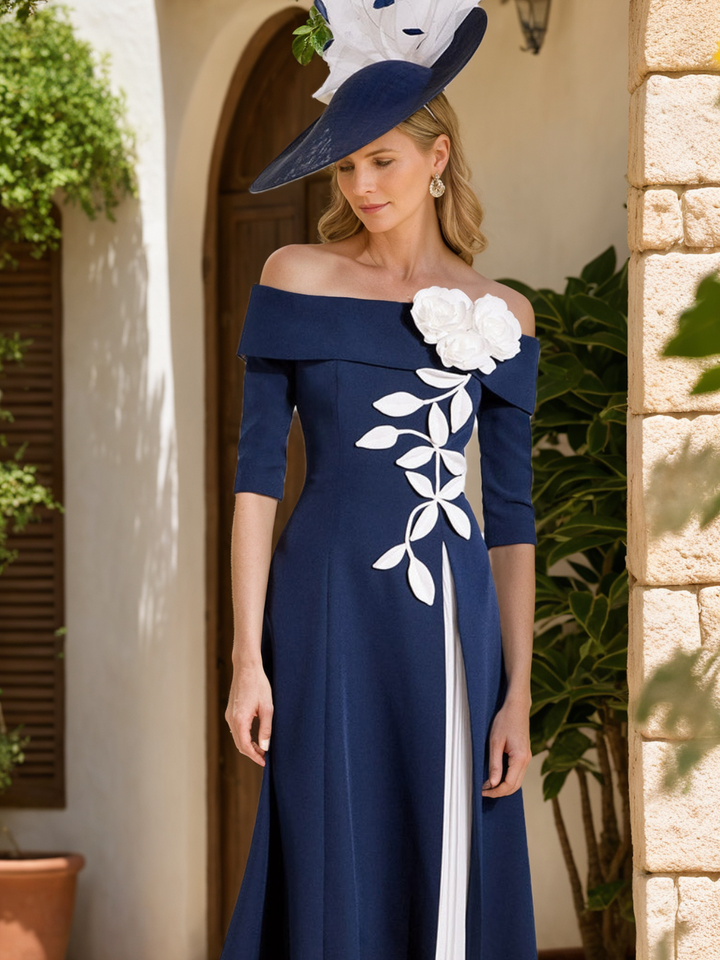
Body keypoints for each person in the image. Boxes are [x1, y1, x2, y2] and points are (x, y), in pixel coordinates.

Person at [221, 3, 539, 958]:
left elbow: (511, 520)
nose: (361, 185)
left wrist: (518, 693)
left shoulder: (503, 314)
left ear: (438, 158)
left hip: (450, 620)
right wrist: (247, 657)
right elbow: (255, 481)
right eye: (346, 166)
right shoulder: (294, 275)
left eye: (382, 160)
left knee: (446, 845)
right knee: (332, 847)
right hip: (324, 609)